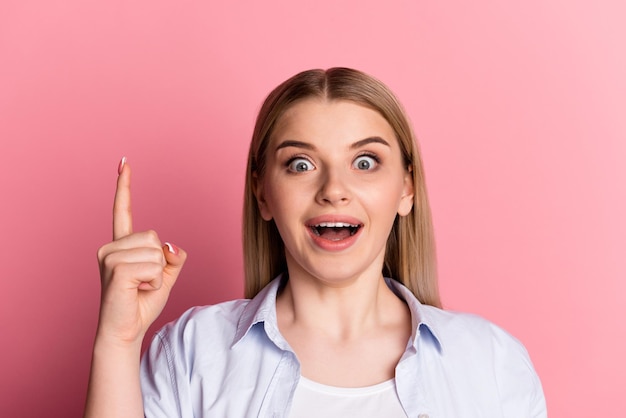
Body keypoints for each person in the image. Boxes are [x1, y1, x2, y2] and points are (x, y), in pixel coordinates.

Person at [84, 68, 547, 417]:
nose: (333, 189)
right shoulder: (192, 352)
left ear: (406, 189)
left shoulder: (491, 361)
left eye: (365, 162)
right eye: (300, 164)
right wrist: (118, 342)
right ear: (263, 192)